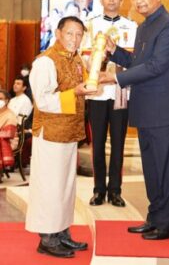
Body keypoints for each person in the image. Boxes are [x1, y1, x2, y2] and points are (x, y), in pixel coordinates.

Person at [99, 0, 169, 240]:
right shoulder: (144, 27)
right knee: (152, 168)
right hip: (147, 111)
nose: (138, 1)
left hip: (165, 112)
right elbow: (138, 62)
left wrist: (115, 79)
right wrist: (115, 52)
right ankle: (155, 218)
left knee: (166, 168)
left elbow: (156, 67)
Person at [25, 16, 96, 258]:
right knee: (49, 187)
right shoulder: (45, 62)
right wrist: (75, 91)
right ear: (57, 33)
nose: (74, 39)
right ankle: (47, 238)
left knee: (65, 187)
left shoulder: (75, 58)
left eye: (79, 35)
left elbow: (85, 86)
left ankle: (62, 233)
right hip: (50, 133)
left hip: (69, 132)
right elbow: (43, 101)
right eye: (69, 34)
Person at [87, 0, 137, 207]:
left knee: (118, 143)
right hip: (96, 91)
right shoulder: (91, 25)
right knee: (97, 143)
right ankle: (99, 190)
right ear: (102, 0)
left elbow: (135, 60)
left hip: (120, 91)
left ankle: (115, 191)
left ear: (121, 0)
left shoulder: (132, 26)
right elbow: (85, 58)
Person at [0, 90, 17, 183]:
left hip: (8, 140)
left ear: (7, 101)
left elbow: (9, 134)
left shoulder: (10, 114)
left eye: (1, 99)